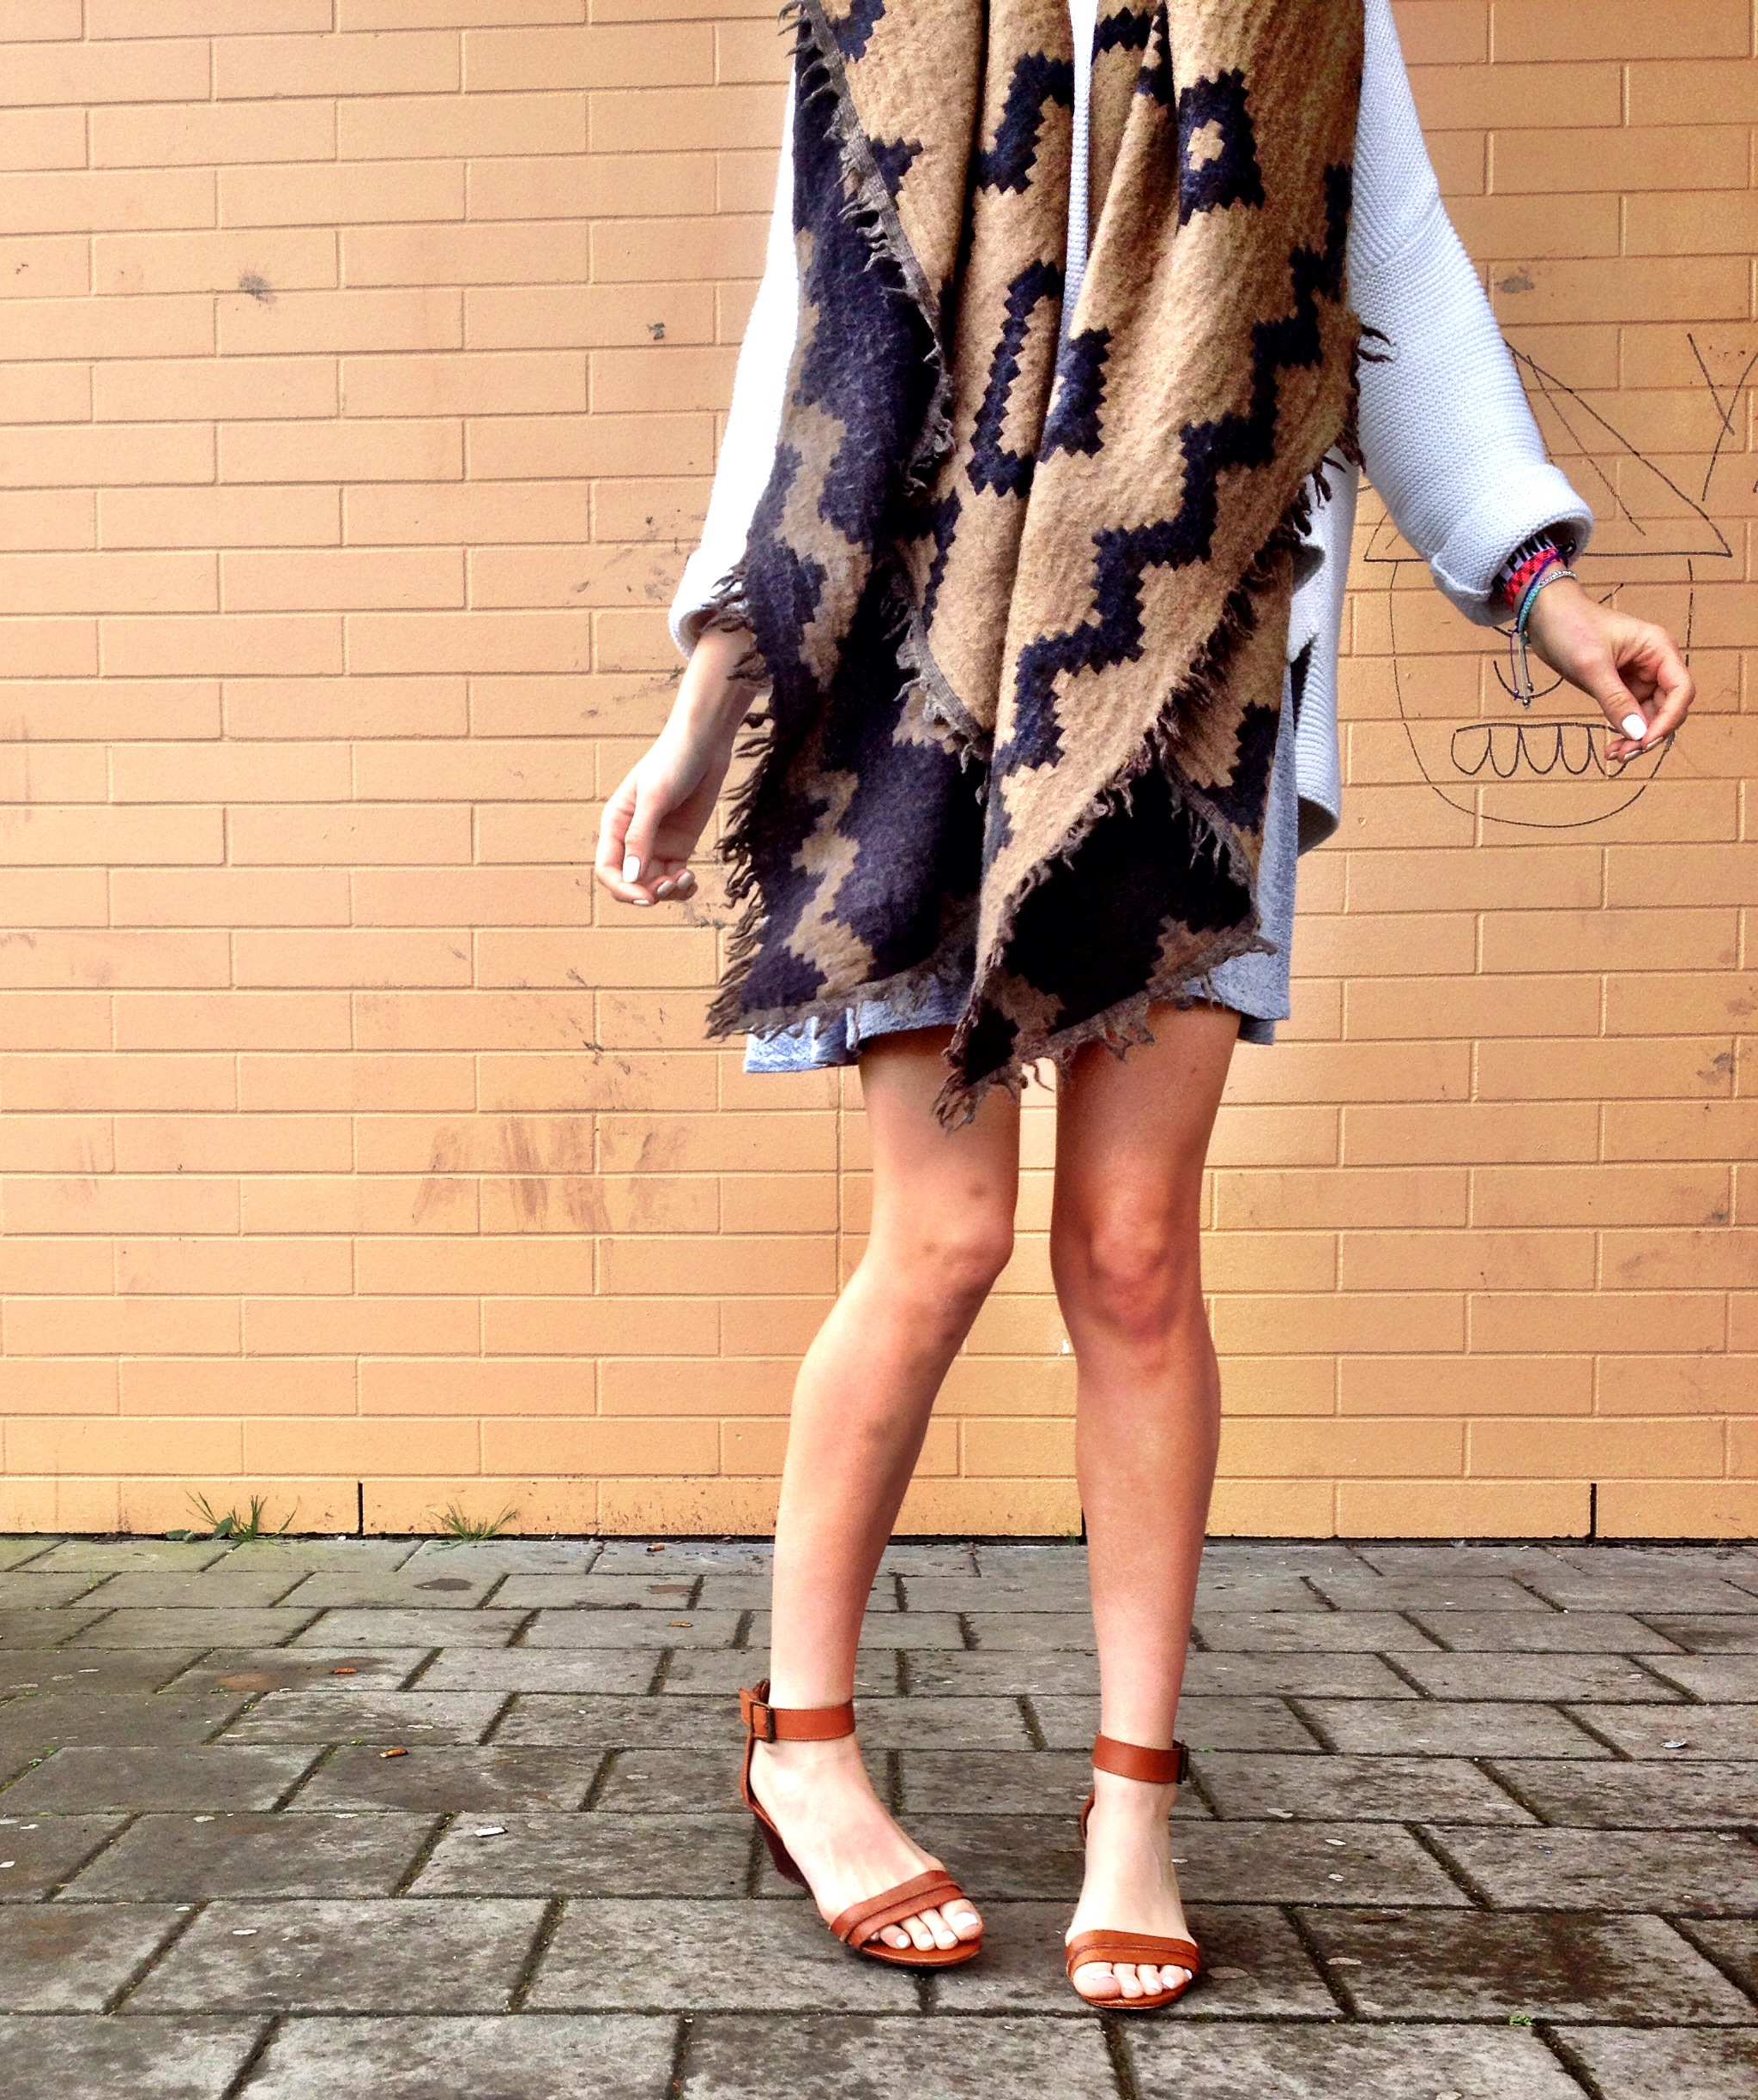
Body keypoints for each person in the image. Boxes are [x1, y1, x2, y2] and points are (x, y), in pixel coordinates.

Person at [592, 0, 1695, 2006]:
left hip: (1191, 667)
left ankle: (1131, 1807)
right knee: (942, 1237)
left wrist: (1545, 592)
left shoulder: (1301, 14)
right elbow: (816, 344)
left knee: (1132, 1250)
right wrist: (705, 711)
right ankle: (804, 1747)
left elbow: (1396, 270)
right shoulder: (888, 20)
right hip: (929, 702)